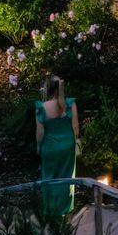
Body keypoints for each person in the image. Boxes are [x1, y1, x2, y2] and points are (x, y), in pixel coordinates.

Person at [34, 75, 79, 217]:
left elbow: (40, 133)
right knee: (67, 178)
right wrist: (75, 142)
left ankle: (50, 210)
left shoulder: (41, 107)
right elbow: (76, 127)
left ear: (47, 89)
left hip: (50, 148)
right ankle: (65, 210)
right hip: (67, 146)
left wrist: (38, 147)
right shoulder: (70, 104)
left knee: (49, 178)